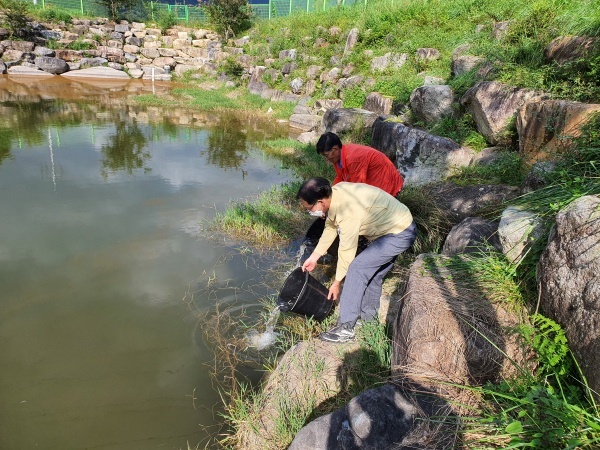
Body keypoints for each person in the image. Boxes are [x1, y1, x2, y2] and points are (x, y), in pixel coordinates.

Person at [297, 177, 417, 343]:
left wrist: (336, 282)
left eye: (309, 208)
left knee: (357, 268)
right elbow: (331, 227)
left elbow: (347, 252)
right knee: (373, 275)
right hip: (392, 229)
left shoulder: (348, 212)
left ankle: (345, 327)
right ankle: (368, 321)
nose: (310, 212)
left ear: (320, 202)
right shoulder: (336, 193)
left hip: (399, 233)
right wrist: (315, 256)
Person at [302, 132, 405, 257]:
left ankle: (366, 251)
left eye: (326, 155)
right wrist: (328, 200)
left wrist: (337, 209)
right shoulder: (339, 158)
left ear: (334, 149)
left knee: (360, 217)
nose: (326, 159)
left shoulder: (353, 158)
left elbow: (357, 192)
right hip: (371, 185)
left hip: (387, 185)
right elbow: (341, 179)